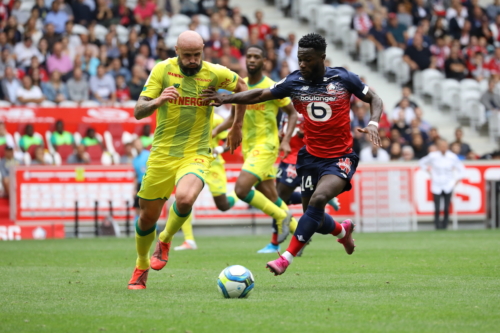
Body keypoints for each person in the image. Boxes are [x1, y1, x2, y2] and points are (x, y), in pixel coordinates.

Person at [201, 33, 383, 276]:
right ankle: (342, 231)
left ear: (322, 58)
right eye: (300, 59)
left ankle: (285, 258)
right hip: (310, 158)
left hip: (340, 157)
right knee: (315, 219)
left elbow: (375, 98)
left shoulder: (343, 78)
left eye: (307, 59)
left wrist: (373, 123)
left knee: (318, 201)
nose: (302, 64)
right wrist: (225, 98)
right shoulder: (294, 81)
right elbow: (259, 94)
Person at [127, 31, 248, 290]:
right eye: (187, 55)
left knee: (184, 198)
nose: (193, 60)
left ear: (202, 51)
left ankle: (167, 238)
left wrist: (236, 124)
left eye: (197, 55)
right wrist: (159, 100)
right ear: (177, 51)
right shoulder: (162, 70)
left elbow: (242, 88)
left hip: (197, 152)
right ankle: (141, 264)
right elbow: (138, 111)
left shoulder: (214, 72)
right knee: (147, 217)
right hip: (162, 154)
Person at [175, 113, 236, 251]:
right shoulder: (187, 115)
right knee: (183, 199)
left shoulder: (218, 120)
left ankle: (240, 192)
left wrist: (219, 149)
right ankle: (189, 240)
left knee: (223, 205)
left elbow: (230, 140)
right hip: (192, 163)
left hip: (213, 164)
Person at [419, 139, 465, 230]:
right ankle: (437, 225)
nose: (443, 148)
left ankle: (445, 225)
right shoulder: (433, 156)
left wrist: (457, 179)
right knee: (437, 207)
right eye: (442, 146)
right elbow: (421, 162)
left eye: (445, 146)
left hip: (448, 184)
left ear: (447, 147)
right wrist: (427, 170)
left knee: (446, 207)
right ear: (438, 147)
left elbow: (461, 169)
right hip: (436, 184)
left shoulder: (452, 157)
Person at [132, 138, 149, 216]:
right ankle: (137, 226)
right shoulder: (135, 160)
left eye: (139, 143)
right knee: (137, 208)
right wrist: (134, 189)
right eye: (136, 144)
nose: (138, 145)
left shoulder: (148, 155)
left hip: (147, 184)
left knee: (148, 207)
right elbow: (135, 175)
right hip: (139, 184)